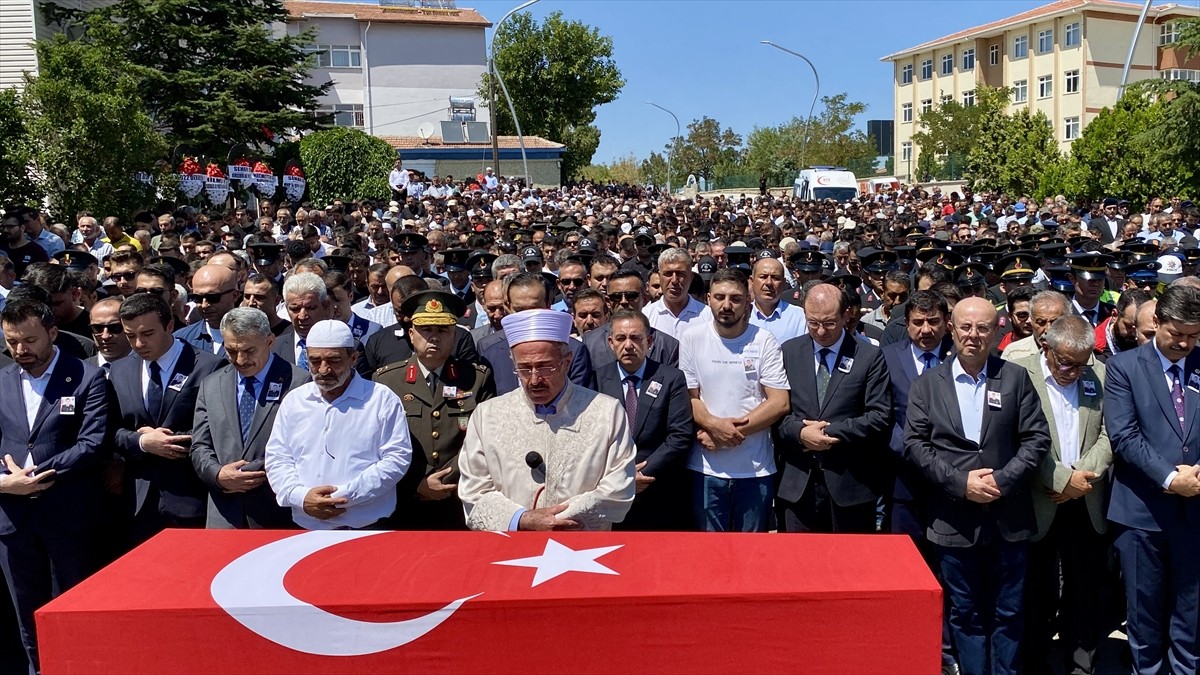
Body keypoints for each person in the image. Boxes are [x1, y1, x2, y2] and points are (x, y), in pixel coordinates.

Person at [903, 297, 1050, 675]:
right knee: (965, 613)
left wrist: (1003, 479)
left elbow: (1036, 439)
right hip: (953, 520)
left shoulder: (1015, 378)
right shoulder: (926, 385)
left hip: (1008, 517)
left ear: (997, 331)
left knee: (1009, 612)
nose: (973, 335)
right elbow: (915, 445)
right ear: (951, 329)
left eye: (982, 328)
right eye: (965, 327)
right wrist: (960, 482)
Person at [0, 297, 108, 674]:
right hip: (13, 520)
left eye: (29, 340)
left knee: (71, 606)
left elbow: (92, 443)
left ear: (52, 332)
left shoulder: (87, 377)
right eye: (12, 341)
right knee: (25, 611)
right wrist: (6, 483)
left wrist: (35, 475)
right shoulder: (2, 381)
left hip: (67, 517)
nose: (20, 350)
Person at [458, 309, 635, 531]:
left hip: (581, 543)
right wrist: (522, 519)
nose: (534, 380)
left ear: (567, 362)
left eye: (545, 367)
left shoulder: (606, 412)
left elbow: (619, 487)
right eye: (524, 368)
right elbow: (474, 492)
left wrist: (558, 519)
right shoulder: (487, 416)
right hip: (511, 544)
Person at [1104, 283, 1200, 673]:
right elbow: (1124, 436)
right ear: (1157, 321)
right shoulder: (1124, 368)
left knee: (1191, 614)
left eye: (1194, 335)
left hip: (1194, 511)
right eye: (1177, 334)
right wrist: (1170, 478)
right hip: (1141, 513)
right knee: (1143, 613)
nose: (1185, 344)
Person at [1013, 316, 1112, 675]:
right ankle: (1035, 659)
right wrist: (1059, 479)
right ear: (1046, 347)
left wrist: (1081, 477)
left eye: (1081, 364)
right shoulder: (1018, 374)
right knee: (1037, 588)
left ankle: (1081, 661)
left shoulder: (1098, 374)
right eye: (1066, 363)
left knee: (1084, 586)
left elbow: (1109, 433)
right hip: (1040, 497)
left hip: (1086, 496)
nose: (1073, 372)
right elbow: (1017, 436)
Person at [265, 320, 412, 530]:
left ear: (353, 358)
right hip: (307, 526)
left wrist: (344, 496)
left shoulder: (381, 399)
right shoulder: (294, 401)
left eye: (334, 361)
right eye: (315, 361)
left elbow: (397, 458)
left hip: (367, 527)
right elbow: (278, 457)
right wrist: (301, 497)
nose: (324, 370)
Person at [679, 268, 790, 532]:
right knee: (709, 550)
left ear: (748, 302)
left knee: (751, 551)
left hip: (755, 470)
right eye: (720, 297)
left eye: (735, 299)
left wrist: (725, 435)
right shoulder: (692, 338)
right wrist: (715, 427)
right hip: (706, 469)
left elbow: (779, 402)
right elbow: (690, 397)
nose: (726, 305)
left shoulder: (764, 340)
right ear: (708, 299)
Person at [776, 284, 892, 533]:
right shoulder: (789, 352)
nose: (820, 331)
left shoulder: (869, 356)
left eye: (829, 323)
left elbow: (879, 416)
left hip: (850, 484)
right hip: (799, 483)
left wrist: (828, 434)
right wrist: (800, 433)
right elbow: (778, 412)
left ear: (845, 315)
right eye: (813, 323)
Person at [374, 291, 493, 530]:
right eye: (426, 329)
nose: (434, 337)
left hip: (458, 497)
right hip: (405, 502)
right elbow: (379, 442)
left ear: (455, 335)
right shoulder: (387, 381)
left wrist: (448, 478)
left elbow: (485, 438)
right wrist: (417, 481)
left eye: (443, 330)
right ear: (411, 334)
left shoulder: (476, 378)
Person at [110, 294, 224, 541]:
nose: (139, 343)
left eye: (147, 334)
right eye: (130, 336)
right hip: (138, 502)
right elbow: (111, 430)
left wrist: (169, 442)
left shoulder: (208, 367)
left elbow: (216, 431)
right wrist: (142, 442)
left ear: (170, 325)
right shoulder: (119, 370)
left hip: (191, 497)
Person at [191, 308, 307, 529]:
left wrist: (249, 473)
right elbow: (200, 446)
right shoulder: (211, 385)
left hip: (276, 514)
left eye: (249, 351)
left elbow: (303, 446)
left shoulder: (299, 383)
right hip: (224, 516)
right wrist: (217, 475)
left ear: (270, 341)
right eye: (232, 351)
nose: (240, 360)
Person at [595, 309, 694, 530]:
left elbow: (679, 436)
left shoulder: (671, 378)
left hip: (658, 490)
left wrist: (641, 473)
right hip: (610, 491)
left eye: (635, 338)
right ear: (611, 343)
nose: (628, 345)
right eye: (621, 338)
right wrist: (622, 477)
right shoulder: (597, 380)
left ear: (649, 341)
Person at [477, 272, 595, 395]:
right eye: (519, 310)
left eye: (534, 309)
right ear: (507, 307)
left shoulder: (574, 351)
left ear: (548, 305)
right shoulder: (491, 356)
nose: (527, 316)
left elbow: (579, 399)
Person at [583, 269, 679, 370]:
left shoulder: (667, 345)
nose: (623, 301)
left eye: (631, 296)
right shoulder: (590, 342)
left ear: (644, 298)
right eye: (616, 297)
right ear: (608, 301)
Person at [644, 248, 711, 339]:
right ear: (659, 277)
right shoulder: (646, 316)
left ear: (691, 277)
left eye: (680, 274)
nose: (674, 280)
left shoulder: (708, 316)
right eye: (668, 274)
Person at [174, 264, 239, 358]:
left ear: (234, 296)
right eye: (197, 298)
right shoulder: (180, 340)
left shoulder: (254, 338)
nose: (204, 305)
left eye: (213, 298)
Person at [748, 254, 807, 344]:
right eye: (763, 277)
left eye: (775, 278)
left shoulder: (799, 317)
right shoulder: (740, 316)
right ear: (752, 281)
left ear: (783, 283)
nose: (769, 283)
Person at [1003, 290, 1071, 363]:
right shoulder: (1013, 354)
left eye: (1055, 323)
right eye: (1041, 322)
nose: (1048, 330)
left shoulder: (1079, 349)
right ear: (1032, 321)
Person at [0, 210, 49, 279]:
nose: (5, 230)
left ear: (22, 227)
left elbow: (43, 278)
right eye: (3, 227)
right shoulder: (2, 248)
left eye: (10, 227)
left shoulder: (36, 251)